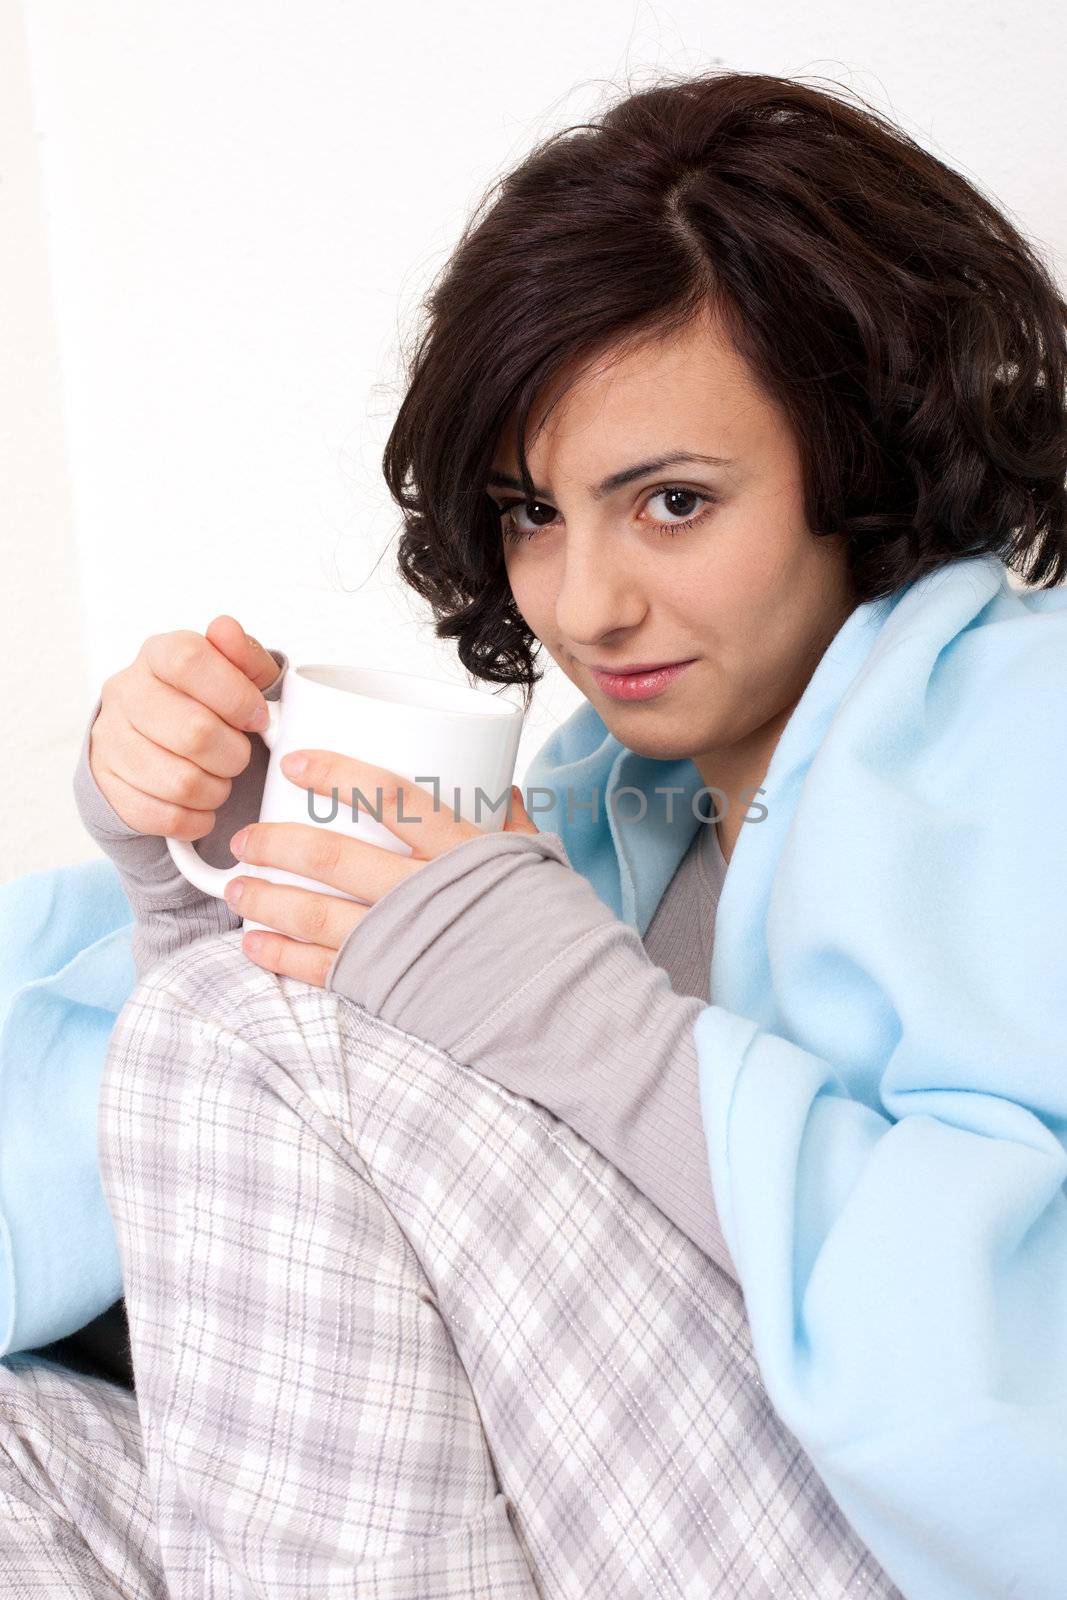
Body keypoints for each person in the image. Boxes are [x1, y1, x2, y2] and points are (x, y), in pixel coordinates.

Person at [2, 66, 1065, 1599]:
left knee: (257, 1030)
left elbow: (1020, 1380)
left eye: (676, 503)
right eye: (533, 513)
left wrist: (550, 1002)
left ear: (860, 459)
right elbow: (278, 1272)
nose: (586, 604)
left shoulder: (1030, 724)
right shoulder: (600, 805)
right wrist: (196, 875)